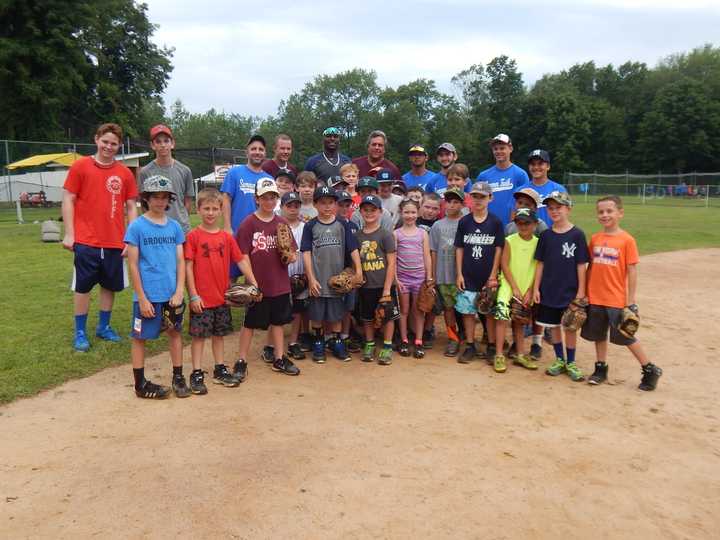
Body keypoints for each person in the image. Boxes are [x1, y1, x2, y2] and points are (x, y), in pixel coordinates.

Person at [62, 122, 138, 352]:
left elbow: (132, 206)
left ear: (119, 146)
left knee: (109, 286)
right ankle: (80, 332)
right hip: (86, 241)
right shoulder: (81, 166)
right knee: (83, 287)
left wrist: (130, 238)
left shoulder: (124, 173)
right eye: (105, 142)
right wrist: (69, 233)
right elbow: (68, 199)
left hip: (115, 242)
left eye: (113, 144)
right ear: (96, 140)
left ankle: (104, 327)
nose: (109, 147)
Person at [582, 196, 662, 391]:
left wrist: (630, 300)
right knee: (598, 334)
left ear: (620, 213)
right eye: (601, 212)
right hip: (595, 296)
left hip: (616, 299)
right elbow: (590, 267)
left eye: (609, 211)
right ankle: (601, 368)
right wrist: (584, 291)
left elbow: (632, 270)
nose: (605, 215)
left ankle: (649, 368)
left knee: (625, 335)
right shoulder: (595, 238)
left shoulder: (627, 240)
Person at [185, 188, 256, 391]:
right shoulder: (193, 236)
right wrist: (193, 295)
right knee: (199, 337)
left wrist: (253, 282)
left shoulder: (226, 237)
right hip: (202, 299)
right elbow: (188, 268)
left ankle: (219, 368)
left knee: (219, 335)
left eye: (214, 208)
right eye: (206, 208)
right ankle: (197, 372)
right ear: (198, 210)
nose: (210, 212)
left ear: (221, 210)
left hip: (222, 297)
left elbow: (240, 260)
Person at [124, 176, 186, 399]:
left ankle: (178, 377)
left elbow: (180, 261)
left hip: (171, 294)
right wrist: (141, 297)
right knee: (139, 337)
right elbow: (132, 263)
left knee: (175, 333)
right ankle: (140, 383)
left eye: (164, 197)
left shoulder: (175, 227)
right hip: (148, 294)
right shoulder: (137, 226)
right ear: (146, 199)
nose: (160, 201)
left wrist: (180, 290)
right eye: (155, 197)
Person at [235, 178, 300, 376]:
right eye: (265, 197)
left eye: (273, 197)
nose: (269, 201)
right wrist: (252, 282)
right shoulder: (249, 224)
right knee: (250, 324)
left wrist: (290, 256)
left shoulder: (281, 223)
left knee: (278, 323)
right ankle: (241, 360)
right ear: (257, 199)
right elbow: (242, 256)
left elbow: (293, 252)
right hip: (258, 285)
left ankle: (279, 358)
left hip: (279, 284)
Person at [532, 191, 589, 382]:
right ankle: (559, 359)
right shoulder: (546, 235)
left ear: (568, 209)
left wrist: (581, 291)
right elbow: (540, 264)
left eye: (559, 207)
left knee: (570, 326)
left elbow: (582, 264)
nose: (554, 211)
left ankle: (571, 362)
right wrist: (536, 288)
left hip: (570, 290)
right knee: (554, 326)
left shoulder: (577, 234)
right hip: (549, 289)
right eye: (551, 208)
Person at [301, 186, 362, 363]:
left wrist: (358, 270)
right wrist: (311, 279)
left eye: (331, 203)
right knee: (317, 315)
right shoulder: (310, 226)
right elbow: (306, 252)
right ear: (315, 204)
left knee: (336, 315)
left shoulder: (342, 224)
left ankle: (336, 342)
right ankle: (319, 342)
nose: (327, 207)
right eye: (322, 203)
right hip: (318, 279)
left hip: (337, 281)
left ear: (336, 204)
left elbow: (353, 248)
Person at [454, 182, 504, 364]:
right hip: (468, 274)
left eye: (482, 196)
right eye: (475, 196)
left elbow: (499, 249)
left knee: (488, 311)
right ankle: (470, 344)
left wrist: (493, 275)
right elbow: (459, 248)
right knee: (467, 312)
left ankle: (491, 345)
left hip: (487, 275)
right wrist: (459, 274)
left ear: (490, 198)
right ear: (470, 198)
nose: (478, 200)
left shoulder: (496, 222)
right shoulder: (464, 222)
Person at [492, 208, 540, 373]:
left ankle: (520, 354)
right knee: (502, 317)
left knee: (519, 320)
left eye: (527, 222)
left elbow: (537, 268)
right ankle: (499, 354)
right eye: (519, 222)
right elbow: (504, 265)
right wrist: (513, 288)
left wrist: (530, 290)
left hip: (526, 286)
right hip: (508, 284)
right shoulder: (510, 240)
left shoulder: (537, 243)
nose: (522, 225)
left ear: (535, 224)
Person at [355, 195, 400, 365]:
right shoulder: (358, 236)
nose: (369, 213)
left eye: (373, 210)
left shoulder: (385, 235)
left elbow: (391, 263)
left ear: (380, 212)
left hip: (384, 284)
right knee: (367, 317)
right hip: (367, 285)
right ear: (360, 212)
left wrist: (388, 289)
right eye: (365, 210)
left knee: (387, 316)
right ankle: (370, 344)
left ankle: (387, 346)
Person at [139, 124, 194, 233]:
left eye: (166, 141)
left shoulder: (185, 170)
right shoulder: (145, 172)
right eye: (158, 142)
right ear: (152, 145)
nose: (163, 145)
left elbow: (188, 201)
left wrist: (181, 220)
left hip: (181, 229)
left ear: (172, 143)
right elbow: (144, 203)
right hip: (155, 229)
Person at [395, 199, 432, 358]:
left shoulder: (422, 233)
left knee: (418, 310)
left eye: (413, 212)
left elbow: (427, 256)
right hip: (403, 278)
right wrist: (396, 279)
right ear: (401, 213)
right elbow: (394, 258)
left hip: (419, 278)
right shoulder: (396, 233)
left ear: (418, 213)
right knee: (404, 310)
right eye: (406, 212)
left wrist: (429, 276)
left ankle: (418, 340)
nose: (410, 215)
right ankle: (404, 340)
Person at [429, 188, 465, 357]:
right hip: (444, 274)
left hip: (461, 276)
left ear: (462, 204)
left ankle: (467, 337)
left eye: (456, 202)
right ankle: (453, 338)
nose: (451, 205)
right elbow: (434, 251)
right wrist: (434, 275)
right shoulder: (438, 225)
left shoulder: (466, 222)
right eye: (449, 201)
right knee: (449, 309)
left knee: (465, 308)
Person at [280, 191, 309, 361]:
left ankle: (293, 343)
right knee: (278, 311)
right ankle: (271, 345)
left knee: (298, 310)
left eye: (296, 205)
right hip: (282, 273)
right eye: (289, 205)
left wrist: (307, 274)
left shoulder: (306, 227)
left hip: (300, 273)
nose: (293, 209)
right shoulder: (278, 226)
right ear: (282, 207)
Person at [221, 134, 270, 235]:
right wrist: (227, 227)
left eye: (261, 149)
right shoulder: (234, 173)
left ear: (265, 153)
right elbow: (225, 200)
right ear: (246, 153)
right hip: (237, 232)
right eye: (253, 149)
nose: (257, 152)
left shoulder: (269, 179)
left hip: (261, 235)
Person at [476, 134, 529, 226]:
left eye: (502, 148)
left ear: (510, 149)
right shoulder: (483, 176)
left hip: (513, 227)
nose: (498, 151)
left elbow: (526, 204)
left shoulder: (520, 174)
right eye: (495, 149)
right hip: (487, 226)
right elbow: (477, 202)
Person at [519, 149, 567, 228]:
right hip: (528, 236)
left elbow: (564, 217)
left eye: (540, 164)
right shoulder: (521, 191)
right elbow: (514, 215)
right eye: (533, 164)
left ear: (548, 166)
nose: (536, 167)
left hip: (552, 236)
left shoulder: (559, 189)